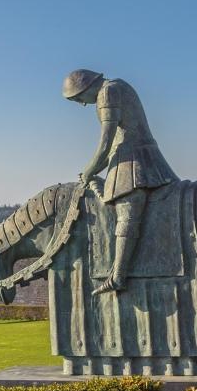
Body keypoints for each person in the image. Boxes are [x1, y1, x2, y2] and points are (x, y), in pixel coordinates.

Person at [63, 68, 178, 294]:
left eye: (78, 98)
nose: (81, 104)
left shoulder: (108, 92)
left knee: (127, 213)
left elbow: (107, 141)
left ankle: (117, 276)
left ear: (85, 88)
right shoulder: (115, 87)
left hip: (135, 159)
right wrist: (94, 171)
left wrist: (89, 171)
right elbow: (113, 146)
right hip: (126, 155)